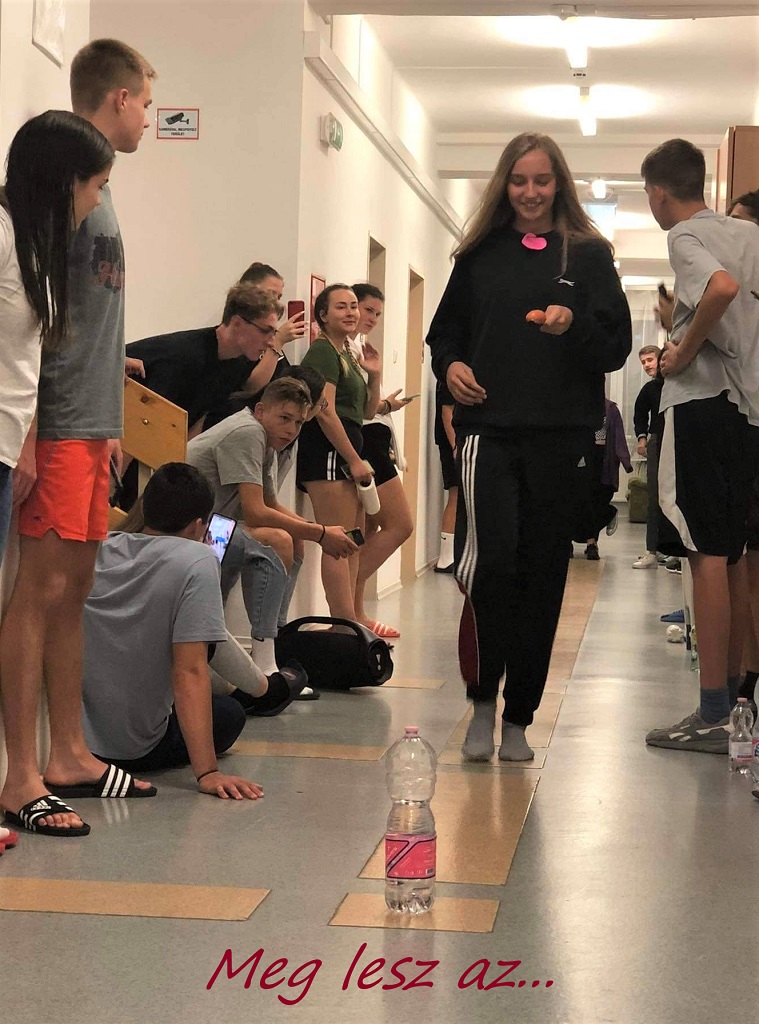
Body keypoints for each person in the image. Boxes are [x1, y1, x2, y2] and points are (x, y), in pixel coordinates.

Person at [427, 131, 632, 763]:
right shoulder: (479, 254)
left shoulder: (589, 256)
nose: (531, 192)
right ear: (504, 185)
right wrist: (451, 367)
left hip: (561, 436)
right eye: (519, 181)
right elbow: (444, 334)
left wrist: (575, 325)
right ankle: (481, 702)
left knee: (543, 571)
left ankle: (519, 716)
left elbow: (616, 347)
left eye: (542, 180)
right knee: (491, 567)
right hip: (487, 431)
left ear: (559, 183)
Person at [1, 38, 158, 837]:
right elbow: (34, 326)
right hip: (54, 420)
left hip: (91, 421)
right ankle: (22, 770)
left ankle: (68, 752)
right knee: (40, 592)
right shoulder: (55, 183)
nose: (149, 118)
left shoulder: (100, 189)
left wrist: (113, 417)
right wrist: (36, 429)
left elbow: (87, 317)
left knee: (78, 592)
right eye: (147, 102)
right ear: (120, 98)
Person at [641, 139, 759, 755]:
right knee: (732, 553)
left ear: (658, 193)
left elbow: (721, 288)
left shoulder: (685, 235)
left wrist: (681, 353)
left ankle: (713, 713)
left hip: (705, 406)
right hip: (748, 413)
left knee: (706, 552)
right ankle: (737, 707)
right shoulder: (750, 233)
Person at [80, 463, 264, 798]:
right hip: (137, 748)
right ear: (198, 525)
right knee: (230, 713)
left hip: (82, 743)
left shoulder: (101, 547)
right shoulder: (197, 559)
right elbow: (189, 670)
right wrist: (208, 772)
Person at [0, 112, 114, 570]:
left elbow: (27, 356)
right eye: (98, 185)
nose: (98, 200)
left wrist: (24, 436)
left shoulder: (32, 245)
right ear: (67, 182)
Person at [187, 376, 357, 650]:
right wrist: (320, 533)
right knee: (278, 540)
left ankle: (279, 635)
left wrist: (320, 531)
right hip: (191, 532)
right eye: (285, 418)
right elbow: (255, 513)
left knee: (294, 536)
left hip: (213, 527)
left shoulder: (265, 439)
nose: (291, 430)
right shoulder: (248, 432)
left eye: (298, 423)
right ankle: (266, 653)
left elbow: (270, 504)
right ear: (260, 411)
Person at [296, 285, 382, 621]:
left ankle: (352, 620)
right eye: (341, 307)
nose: (351, 313)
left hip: (347, 451)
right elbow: (325, 410)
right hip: (328, 453)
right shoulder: (322, 352)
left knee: (354, 540)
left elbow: (369, 411)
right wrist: (354, 460)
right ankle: (343, 625)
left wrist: (374, 375)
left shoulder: (346, 352)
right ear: (323, 315)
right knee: (338, 541)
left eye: (353, 306)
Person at [126, 283, 282, 439]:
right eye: (265, 331)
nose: (271, 341)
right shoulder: (186, 355)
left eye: (275, 333)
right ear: (237, 323)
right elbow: (145, 419)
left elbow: (197, 419)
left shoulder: (238, 364)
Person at [349, 283, 414, 638]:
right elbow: (360, 409)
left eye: (376, 313)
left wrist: (382, 396)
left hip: (374, 438)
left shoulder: (361, 348)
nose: (371, 318)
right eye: (367, 310)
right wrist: (384, 404)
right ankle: (348, 600)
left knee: (369, 530)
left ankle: (356, 610)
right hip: (366, 444)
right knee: (400, 525)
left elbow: (369, 405)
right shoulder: (342, 350)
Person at [202, 261, 307, 429]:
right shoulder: (239, 340)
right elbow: (251, 386)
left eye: (279, 297)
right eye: (270, 294)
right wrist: (278, 341)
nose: (275, 302)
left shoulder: (266, 337)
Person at [573, 398, 632, 560]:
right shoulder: (574, 405)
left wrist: (625, 461)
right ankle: (580, 542)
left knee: (595, 503)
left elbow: (618, 436)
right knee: (577, 501)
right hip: (577, 461)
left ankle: (592, 543)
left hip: (602, 463)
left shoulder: (610, 409)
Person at [631, 344, 665, 569]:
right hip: (658, 441)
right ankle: (652, 550)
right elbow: (640, 414)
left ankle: (676, 551)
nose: (647, 365)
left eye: (650, 360)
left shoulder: (677, 384)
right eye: (643, 362)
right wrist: (642, 439)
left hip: (680, 441)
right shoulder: (649, 389)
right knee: (655, 496)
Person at [434, 379, 458, 573]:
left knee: (460, 496)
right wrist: (456, 447)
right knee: (456, 494)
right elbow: (447, 411)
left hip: (457, 443)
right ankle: (446, 557)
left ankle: (451, 554)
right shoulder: (451, 374)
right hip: (454, 444)